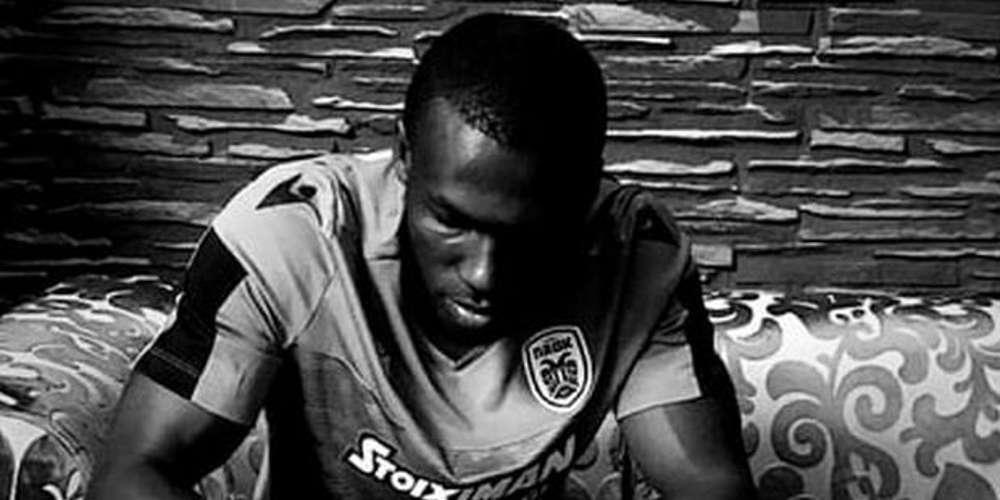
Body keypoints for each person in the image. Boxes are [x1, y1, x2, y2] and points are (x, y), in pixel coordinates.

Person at [89, 13, 755, 500]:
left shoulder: (636, 254)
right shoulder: (295, 236)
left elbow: (709, 486)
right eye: (452, 221)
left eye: (528, 236)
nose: (485, 274)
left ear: (586, 196)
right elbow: (133, 472)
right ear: (405, 156)